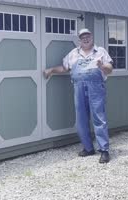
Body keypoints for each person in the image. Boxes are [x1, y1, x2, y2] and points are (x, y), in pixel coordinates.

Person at [43, 28, 113, 163]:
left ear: (92, 37)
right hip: (79, 88)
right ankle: (88, 148)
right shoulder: (73, 53)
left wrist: (102, 66)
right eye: (82, 37)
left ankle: (104, 150)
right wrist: (51, 70)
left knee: (99, 118)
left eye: (88, 36)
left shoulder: (101, 51)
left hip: (96, 88)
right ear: (79, 40)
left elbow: (109, 69)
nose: (85, 39)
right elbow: (65, 68)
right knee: (81, 119)